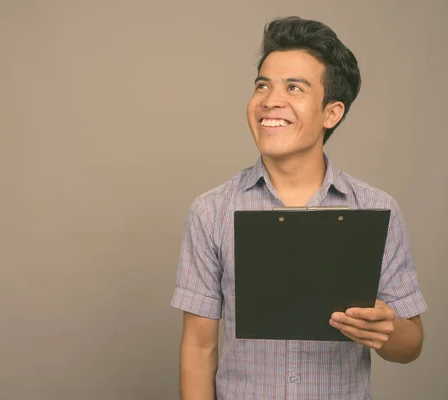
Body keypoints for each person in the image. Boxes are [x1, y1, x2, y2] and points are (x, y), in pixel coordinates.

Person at [170, 16, 427, 400]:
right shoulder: (211, 211)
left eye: (294, 87)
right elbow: (198, 346)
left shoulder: (376, 208)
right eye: (263, 85)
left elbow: (411, 344)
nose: (270, 100)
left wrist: (384, 330)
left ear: (331, 113)